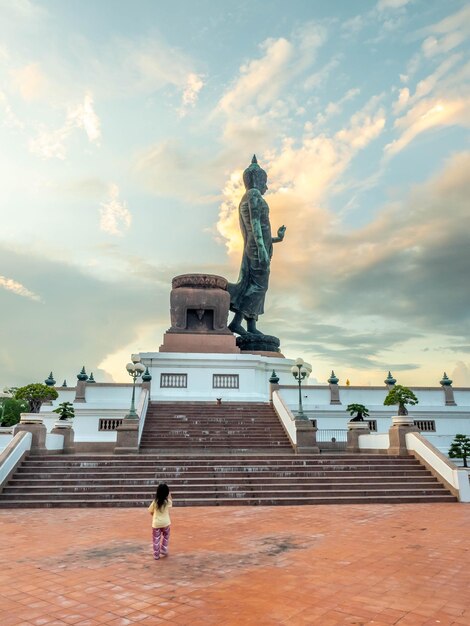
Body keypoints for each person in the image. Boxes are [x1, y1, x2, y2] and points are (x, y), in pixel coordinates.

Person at [228, 155, 286, 336]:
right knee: (258, 287)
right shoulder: (253, 194)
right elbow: (254, 224)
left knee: (256, 286)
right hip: (256, 248)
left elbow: (261, 229)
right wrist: (261, 249)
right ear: (258, 179)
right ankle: (237, 323)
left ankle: (250, 326)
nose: (266, 187)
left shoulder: (251, 196)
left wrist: (278, 238)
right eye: (265, 182)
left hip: (259, 246)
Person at [148, 483, 172, 560]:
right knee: (166, 536)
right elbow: (171, 501)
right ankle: (163, 549)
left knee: (156, 539)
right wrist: (169, 494)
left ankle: (156, 555)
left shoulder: (155, 502)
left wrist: (155, 517)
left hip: (156, 523)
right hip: (165, 523)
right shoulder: (167, 502)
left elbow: (150, 511)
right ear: (167, 493)